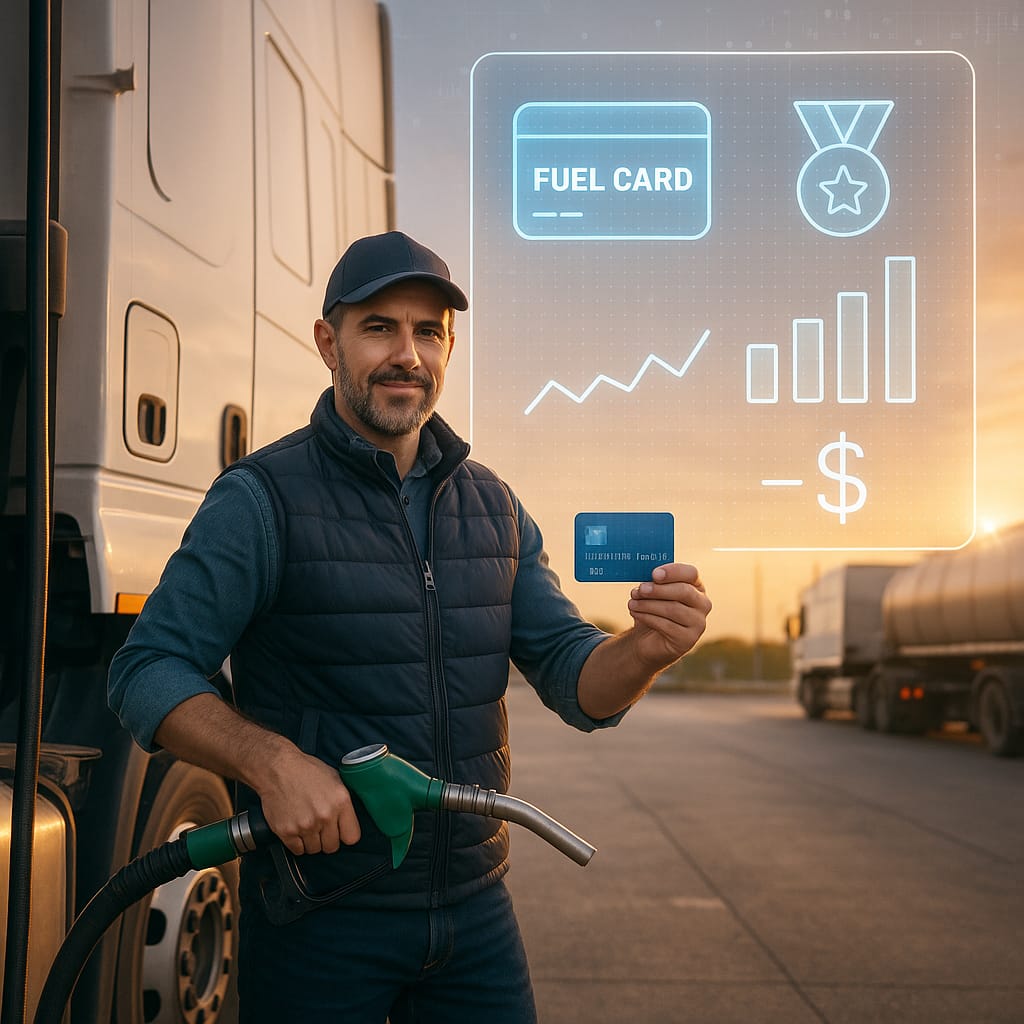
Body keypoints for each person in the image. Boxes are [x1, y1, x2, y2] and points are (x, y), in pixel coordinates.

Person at [108, 230, 711, 1023]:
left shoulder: (492, 505)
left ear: (450, 346)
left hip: (475, 912)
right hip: (323, 916)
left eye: (429, 332)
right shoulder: (260, 499)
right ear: (329, 342)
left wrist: (645, 649)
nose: (407, 354)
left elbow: (575, 681)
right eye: (379, 327)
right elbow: (147, 669)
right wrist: (273, 764)